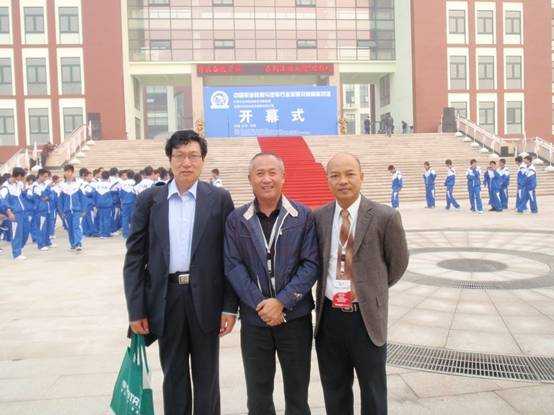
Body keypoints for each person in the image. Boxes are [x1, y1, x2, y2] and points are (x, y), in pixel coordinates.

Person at [124, 130, 238, 415]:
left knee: (207, 376)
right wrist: (136, 309)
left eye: (193, 156)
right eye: (179, 156)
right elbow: (135, 257)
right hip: (166, 297)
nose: (186, 162)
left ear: (203, 160)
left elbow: (231, 256)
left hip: (207, 298)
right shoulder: (150, 200)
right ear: (170, 159)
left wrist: (229, 307)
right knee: (173, 374)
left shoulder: (219, 199)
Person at [314, 153, 409, 415]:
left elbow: (398, 263)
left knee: (373, 390)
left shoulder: (385, 216)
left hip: (365, 318)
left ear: (361, 177)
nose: (342, 181)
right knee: (334, 389)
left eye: (349, 174)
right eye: (335, 175)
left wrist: (370, 290)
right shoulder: (319, 217)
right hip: (329, 318)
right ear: (328, 180)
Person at [224, 153, 319, 415]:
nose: (266, 179)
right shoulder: (236, 219)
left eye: (272, 172)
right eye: (260, 173)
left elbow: (311, 264)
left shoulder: (302, 216)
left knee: (297, 395)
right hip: (255, 321)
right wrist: (261, 304)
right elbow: (233, 266)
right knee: (258, 396)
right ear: (250, 179)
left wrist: (282, 302)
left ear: (283, 177)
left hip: (295, 318)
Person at [2, 167, 28, 259]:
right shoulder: (5, 187)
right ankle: (16, 254)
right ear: (18, 176)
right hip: (15, 213)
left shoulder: (19, 184)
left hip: (23, 212)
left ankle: (18, 249)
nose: (23, 178)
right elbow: (3, 201)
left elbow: (24, 196)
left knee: (25, 232)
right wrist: (9, 213)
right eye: (22, 176)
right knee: (16, 233)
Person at [59, 164, 86, 251]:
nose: (67, 173)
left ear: (72, 172)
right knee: (70, 228)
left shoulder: (78, 184)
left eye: (69, 171)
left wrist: (83, 209)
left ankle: (78, 243)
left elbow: (83, 198)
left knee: (76, 226)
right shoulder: (62, 185)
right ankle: (73, 244)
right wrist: (61, 211)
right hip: (67, 210)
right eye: (66, 171)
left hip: (76, 209)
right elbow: (60, 200)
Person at [29, 168, 53, 251]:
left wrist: (47, 196)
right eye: (45, 176)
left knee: (48, 227)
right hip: (40, 209)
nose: (46, 178)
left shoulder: (44, 185)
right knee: (41, 227)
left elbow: (50, 196)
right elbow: (42, 196)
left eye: (47, 177)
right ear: (40, 175)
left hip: (47, 208)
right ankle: (41, 244)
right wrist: (47, 190)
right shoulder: (35, 186)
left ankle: (47, 242)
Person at [93, 171, 115, 238]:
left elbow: (94, 195)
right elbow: (114, 194)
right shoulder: (110, 184)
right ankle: (106, 233)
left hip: (99, 203)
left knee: (101, 218)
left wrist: (95, 204)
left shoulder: (97, 184)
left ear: (101, 176)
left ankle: (101, 233)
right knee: (107, 218)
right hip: (107, 204)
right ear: (108, 177)